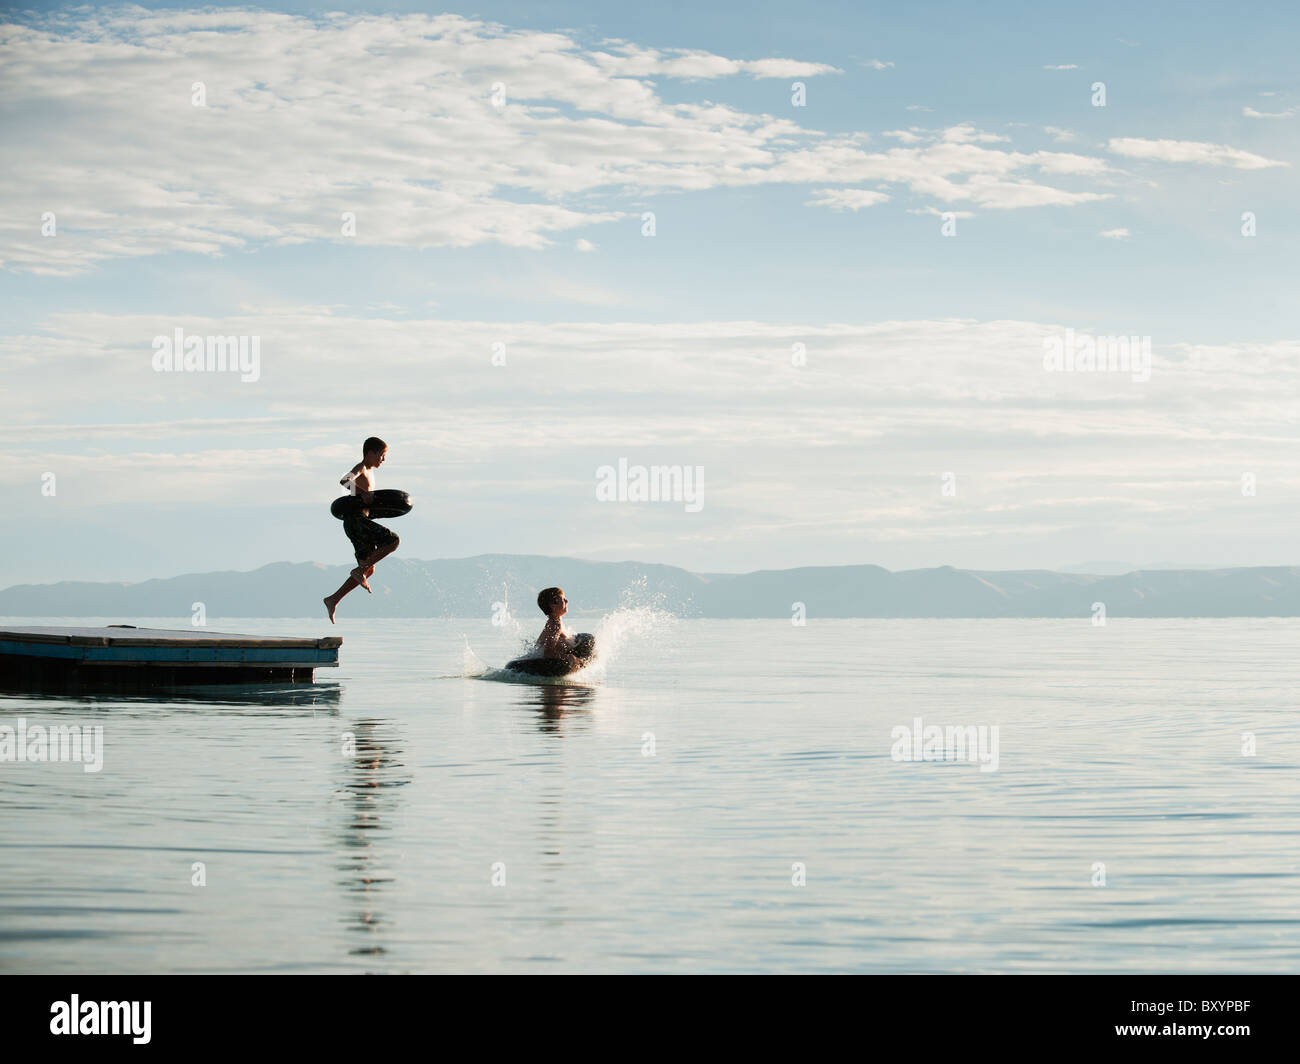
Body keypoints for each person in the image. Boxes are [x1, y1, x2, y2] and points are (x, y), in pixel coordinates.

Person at [324, 437, 399, 623]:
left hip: (357, 522)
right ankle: (359, 571)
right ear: (370, 453)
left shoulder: (371, 472)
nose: (383, 460)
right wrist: (362, 493)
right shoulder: (362, 467)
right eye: (381, 455)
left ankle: (333, 599)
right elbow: (345, 481)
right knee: (393, 541)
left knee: (369, 569)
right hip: (355, 519)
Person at [534, 587, 582, 670]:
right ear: (553, 605)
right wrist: (569, 657)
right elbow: (548, 653)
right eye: (563, 599)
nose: (567, 601)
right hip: (545, 666)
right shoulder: (555, 625)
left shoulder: (554, 622)